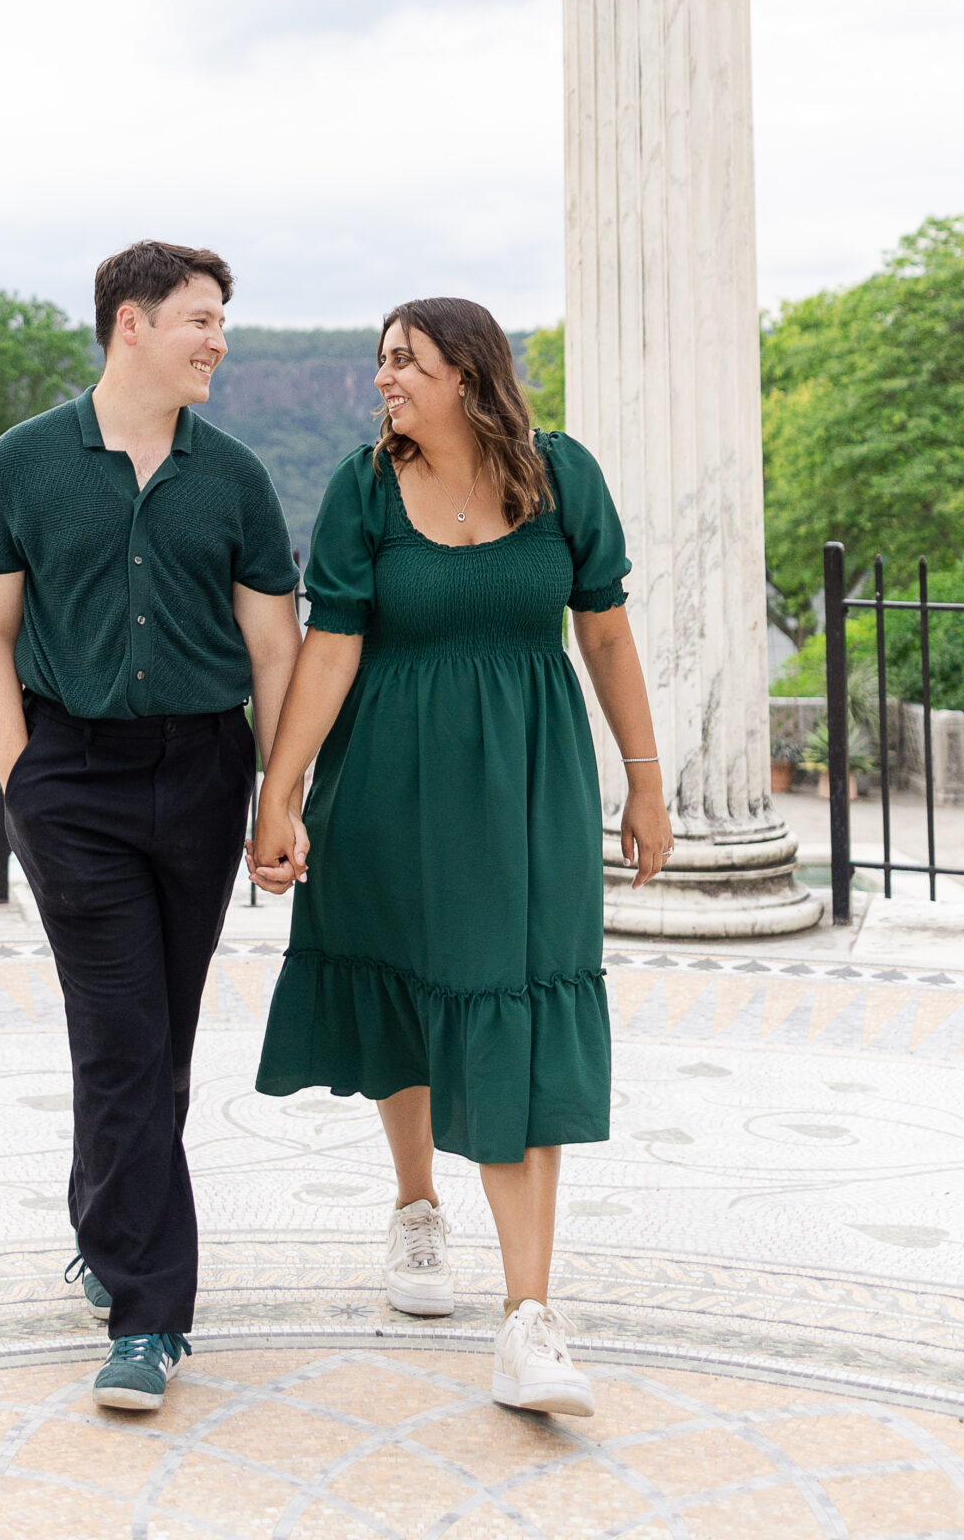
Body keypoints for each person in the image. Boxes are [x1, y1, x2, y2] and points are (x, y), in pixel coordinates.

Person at [250, 297, 672, 1419]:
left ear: (468, 374)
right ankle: (413, 1206)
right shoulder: (361, 486)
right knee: (401, 990)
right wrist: (279, 792)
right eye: (380, 360)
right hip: (387, 782)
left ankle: (527, 1316)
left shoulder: (561, 476)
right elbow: (330, 644)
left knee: (516, 1008)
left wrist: (643, 773)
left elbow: (607, 632)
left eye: (406, 360)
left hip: (529, 787)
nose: (383, 378)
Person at [0, 240, 301, 1415]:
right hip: (75, 783)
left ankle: (105, 1228)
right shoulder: (23, 463)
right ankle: (149, 1313)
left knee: (157, 1039)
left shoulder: (236, 477)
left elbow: (273, 650)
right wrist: (23, 782)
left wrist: (278, 796)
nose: (217, 340)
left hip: (203, 773)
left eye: (221, 320)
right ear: (128, 326)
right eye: (200, 319)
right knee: (117, 1033)